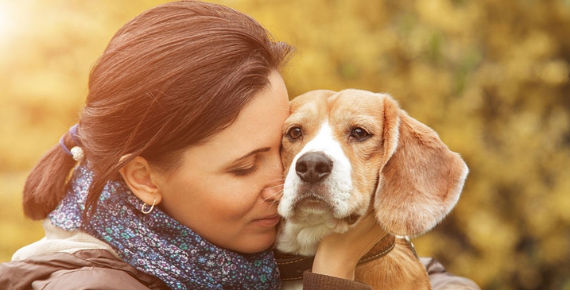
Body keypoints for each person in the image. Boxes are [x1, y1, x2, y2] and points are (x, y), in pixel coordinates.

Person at [0, 0, 479, 290]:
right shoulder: (93, 287)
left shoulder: (225, 244)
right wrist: (334, 270)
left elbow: (426, 272)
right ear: (144, 179)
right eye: (244, 167)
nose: (281, 181)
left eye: (277, 146)